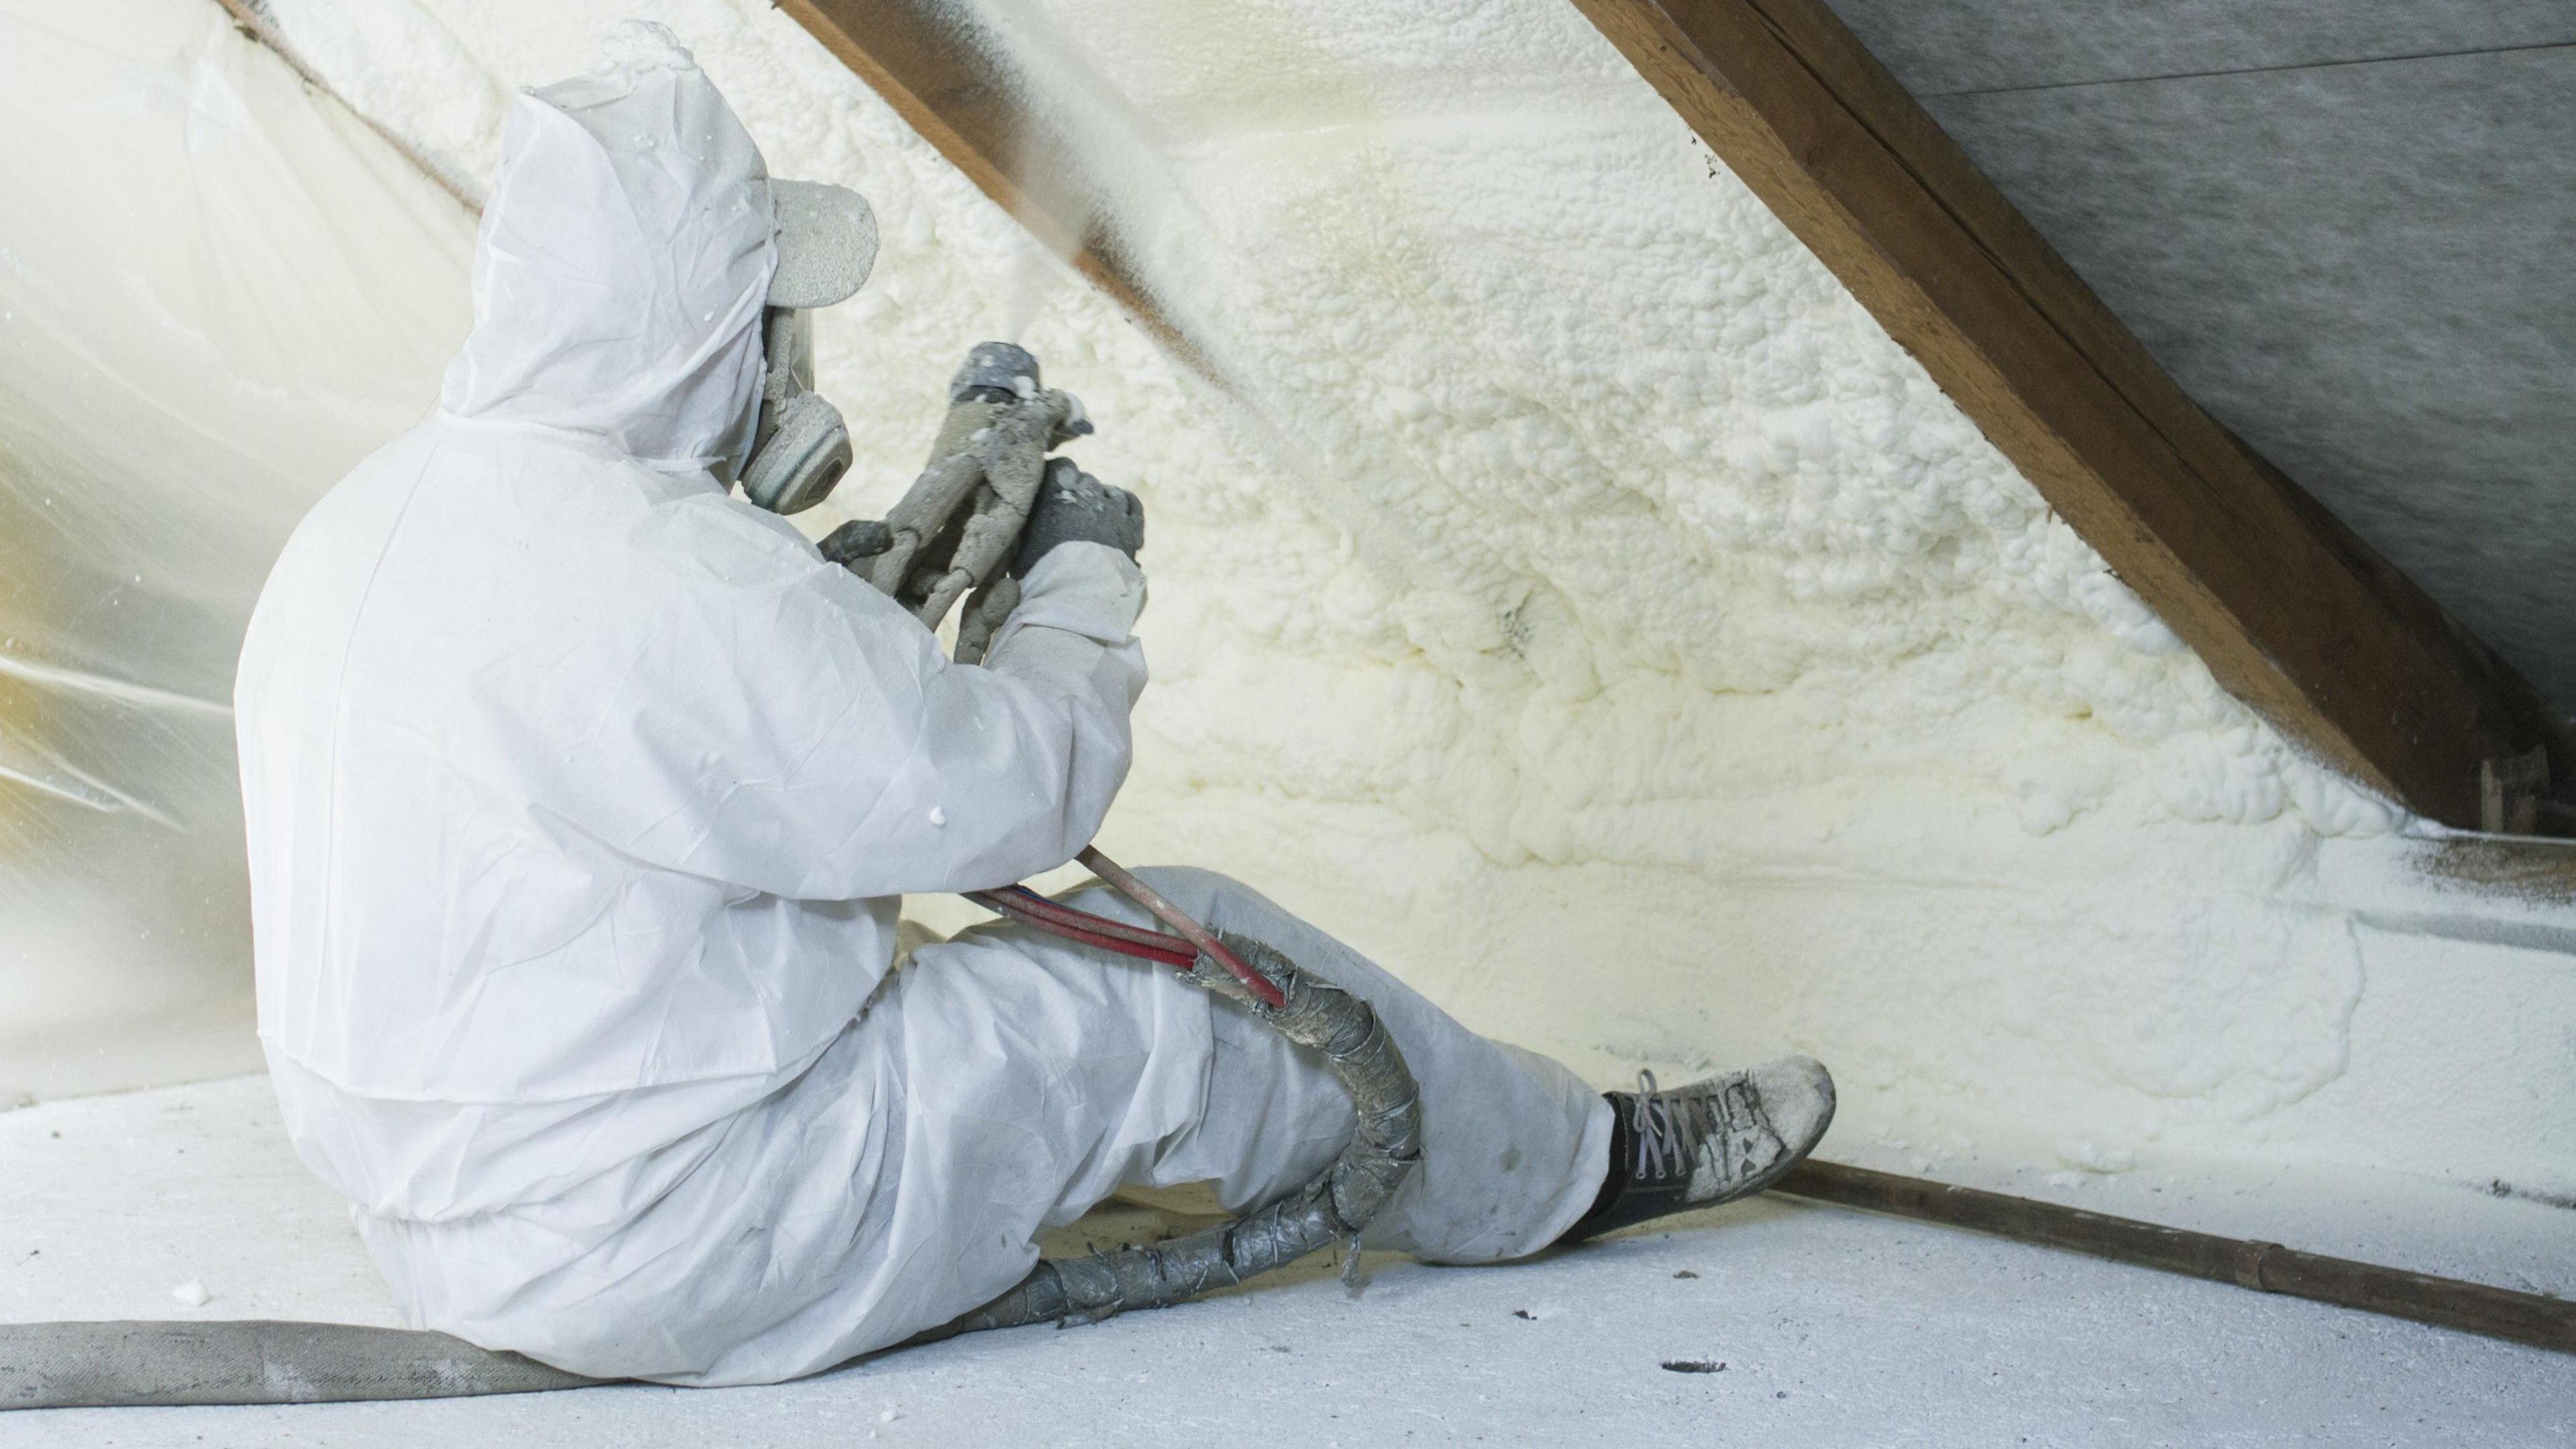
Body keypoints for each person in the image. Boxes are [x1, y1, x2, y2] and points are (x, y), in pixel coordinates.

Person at [233, 23, 1833, 1387]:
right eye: (765, 311)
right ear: (707, 323)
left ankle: (1547, 1158)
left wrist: (837, 610)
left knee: (951, 985)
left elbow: (645, 760)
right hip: (682, 1237)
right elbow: (1009, 798)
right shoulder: (675, 580)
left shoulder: (373, 524)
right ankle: (1576, 1173)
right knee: (1192, 964)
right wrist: (1080, 586)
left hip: (446, 1224)